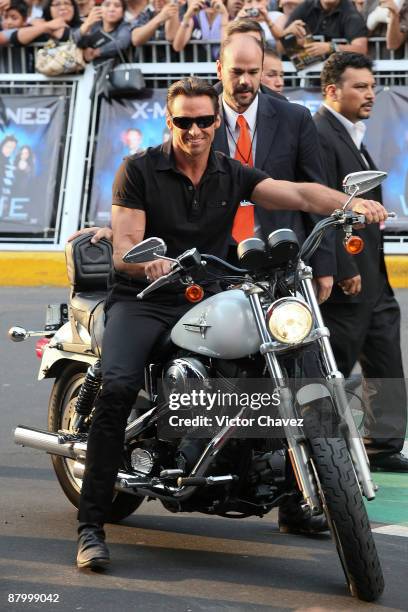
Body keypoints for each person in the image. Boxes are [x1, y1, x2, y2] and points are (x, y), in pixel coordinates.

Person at [75, 75, 388, 570]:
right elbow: (124, 247)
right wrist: (147, 263)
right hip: (146, 298)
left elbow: (300, 194)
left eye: (203, 120)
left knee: (273, 356)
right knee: (117, 387)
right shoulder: (138, 169)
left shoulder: (230, 171)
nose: (194, 130)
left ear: (216, 122)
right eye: (184, 121)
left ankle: (286, 487)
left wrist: (348, 205)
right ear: (170, 121)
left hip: (211, 290)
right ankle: (90, 527)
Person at [314, 52, 408, 472]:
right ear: (333, 90)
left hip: (375, 269)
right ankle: (317, 450)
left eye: (371, 86)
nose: (369, 93)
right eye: (360, 86)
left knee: (386, 352)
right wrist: (343, 267)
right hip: (350, 271)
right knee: (334, 360)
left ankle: (383, 444)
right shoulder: (320, 133)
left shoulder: (352, 133)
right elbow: (321, 204)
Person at [213, 35, 335, 306]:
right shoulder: (198, 116)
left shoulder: (295, 118)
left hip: (282, 255)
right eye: (236, 72)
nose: (245, 81)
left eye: (253, 72)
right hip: (218, 259)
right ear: (219, 68)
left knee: (295, 342)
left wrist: (324, 264)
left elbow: (313, 192)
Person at [285, 0, 368, 58]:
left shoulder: (351, 13)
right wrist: (288, 32)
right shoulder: (305, 7)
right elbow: (280, 47)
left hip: (339, 72)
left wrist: (331, 48)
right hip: (307, 73)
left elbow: (361, 49)